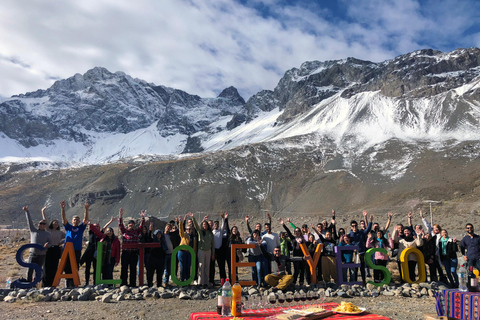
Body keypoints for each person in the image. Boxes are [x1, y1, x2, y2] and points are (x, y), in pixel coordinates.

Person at [61, 200, 89, 287]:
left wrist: (86, 209)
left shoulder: (81, 228)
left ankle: (74, 283)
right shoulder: (68, 227)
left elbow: (86, 220)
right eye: (74, 219)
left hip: (76, 250)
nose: (76, 221)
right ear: (72, 221)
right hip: (67, 249)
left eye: (77, 219)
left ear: (79, 221)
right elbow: (64, 218)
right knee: (66, 266)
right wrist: (63, 209)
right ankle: (68, 282)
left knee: (75, 266)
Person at [23, 205, 51, 285]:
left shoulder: (47, 234)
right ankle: (28, 283)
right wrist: (27, 211)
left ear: (46, 225)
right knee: (29, 270)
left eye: (44, 224)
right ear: (38, 224)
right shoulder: (33, 231)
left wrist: (47, 245)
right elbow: (29, 221)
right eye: (41, 223)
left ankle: (35, 284)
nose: (42, 225)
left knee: (38, 270)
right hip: (33, 254)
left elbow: (50, 243)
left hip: (42, 254)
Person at [118, 208, 145, 287]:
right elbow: (120, 225)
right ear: (128, 225)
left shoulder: (136, 231)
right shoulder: (124, 231)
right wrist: (120, 215)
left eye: (132, 224)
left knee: (133, 269)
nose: (131, 225)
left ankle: (132, 284)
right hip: (125, 253)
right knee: (124, 269)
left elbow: (142, 226)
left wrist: (142, 218)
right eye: (130, 224)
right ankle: (123, 284)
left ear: (134, 225)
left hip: (133, 253)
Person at [190, 212, 214, 287]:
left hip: (208, 251)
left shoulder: (210, 233)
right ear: (202, 226)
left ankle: (206, 282)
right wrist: (193, 218)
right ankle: (200, 282)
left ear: (207, 226)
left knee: (207, 266)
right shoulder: (200, 232)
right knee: (201, 266)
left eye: (206, 224)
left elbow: (213, 244)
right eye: (203, 225)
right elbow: (197, 226)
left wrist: (213, 253)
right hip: (201, 251)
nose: (205, 226)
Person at [42, 207, 65, 287]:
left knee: (54, 266)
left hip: (56, 249)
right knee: (46, 266)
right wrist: (43, 211)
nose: (55, 223)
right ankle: (45, 284)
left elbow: (68, 237)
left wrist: (61, 242)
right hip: (48, 249)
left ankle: (53, 283)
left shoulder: (60, 232)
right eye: (54, 222)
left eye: (57, 223)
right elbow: (45, 221)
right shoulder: (49, 230)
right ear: (52, 223)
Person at [281, 218, 308, 286]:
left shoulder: (304, 239)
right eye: (295, 231)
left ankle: (301, 282)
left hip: (302, 256)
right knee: (296, 270)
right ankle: (294, 282)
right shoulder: (293, 238)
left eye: (298, 231)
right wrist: (283, 225)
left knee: (302, 270)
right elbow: (288, 231)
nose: (297, 232)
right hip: (295, 256)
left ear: (300, 232)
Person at [349, 210, 373, 285]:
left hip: (362, 252)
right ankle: (355, 281)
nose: (354, 227)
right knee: (355, 267)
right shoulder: (350, 234)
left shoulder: (361, 233)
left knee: (362, 267)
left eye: (355, 225)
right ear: (351, 227)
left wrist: (370, 221)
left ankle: (363, 281)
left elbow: (368, 229)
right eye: (353, 226)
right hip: (354, 253)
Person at [209, 213, 227, 287]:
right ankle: (211, 281)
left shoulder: (220, 231)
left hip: (220, 251)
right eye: (215, 224)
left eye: (217, 224)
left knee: (221, 266)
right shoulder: (211, 232)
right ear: (213, 225)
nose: (216, 225)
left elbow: (223, 225)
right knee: (212, 267)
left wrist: (223, 218)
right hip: (213, 251)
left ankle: (223, 281)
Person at [178, 215, 195, 282]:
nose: (188, 230)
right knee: (182, 267)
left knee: (188, 266)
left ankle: (187, 280)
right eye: (187, 229)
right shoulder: (184, 234)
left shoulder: (193, 236)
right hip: (182, 251)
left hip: (189, 252)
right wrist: (180, 222)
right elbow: (180, 230)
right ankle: (182, 280)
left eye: (189, 229)